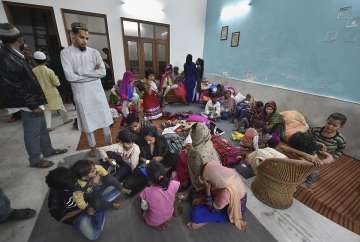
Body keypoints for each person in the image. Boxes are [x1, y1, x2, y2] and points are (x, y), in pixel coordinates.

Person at [0, 23, 67, 168]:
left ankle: (48, 150)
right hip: (28, 103)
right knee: (32, 132)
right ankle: (35, 159)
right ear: (17, 40)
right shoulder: (7, 58)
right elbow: (16, 86)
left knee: (42, 127)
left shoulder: (15, 54)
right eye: (21, 38)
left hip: (33, 99)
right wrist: (32, 105)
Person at [61, 22, 113, 157]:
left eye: (87, 38)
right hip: (81, 95)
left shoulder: (94, 52)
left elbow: (102, 73)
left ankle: (109, 144)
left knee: (105, 121)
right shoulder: (66, 53)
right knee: (88, 123)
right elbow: (69, 76)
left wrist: (81, 74)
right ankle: (93, 147)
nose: (85, 41)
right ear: (73, 36)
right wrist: (91, 74)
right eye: (81, 37)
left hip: (97, 93)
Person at [187, 162, 247, 230]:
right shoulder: (229, 173)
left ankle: (214, 219)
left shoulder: (225, 192)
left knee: (196, 213)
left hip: (228, 211)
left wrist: (207, 191)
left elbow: (213, 209)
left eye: (206, 178)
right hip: (226, 201)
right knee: (196, 198)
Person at [32, 51, 71, 131]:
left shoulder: (33, 71)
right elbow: (56, 83)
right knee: (61, 107)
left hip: (41, 94)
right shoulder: (49, 71)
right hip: (52, 93)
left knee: (46, 110)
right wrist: (57, 78)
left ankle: (48, 127)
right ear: (45, 61)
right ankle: (66, 120)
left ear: (34, 61)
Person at [140, 162, 180, 230]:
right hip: (169, 214)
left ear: (149, 179)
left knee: (143, 211)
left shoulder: (147, 192)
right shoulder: (174, 183)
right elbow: (175, 197)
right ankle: (164, 222)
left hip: (153, 221)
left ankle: (158, 224)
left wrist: (143, 213)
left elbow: (144, 208)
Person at [187, 123, 221, 191]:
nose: (192, 134)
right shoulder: (208, 142)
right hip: (217, 176)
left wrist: (190, 151)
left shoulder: (195, 153)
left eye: (193, 132)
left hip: (203, 183)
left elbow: (196, 172)